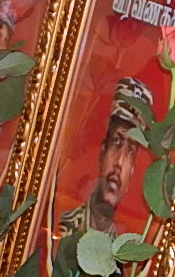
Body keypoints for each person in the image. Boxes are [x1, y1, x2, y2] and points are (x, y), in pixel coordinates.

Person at [55, 76, 154, 239]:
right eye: (116, 142)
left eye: (130, 151)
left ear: (131, 173)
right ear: (102, 153)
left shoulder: (121, 250)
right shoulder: (63, 228)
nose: (119, 162)